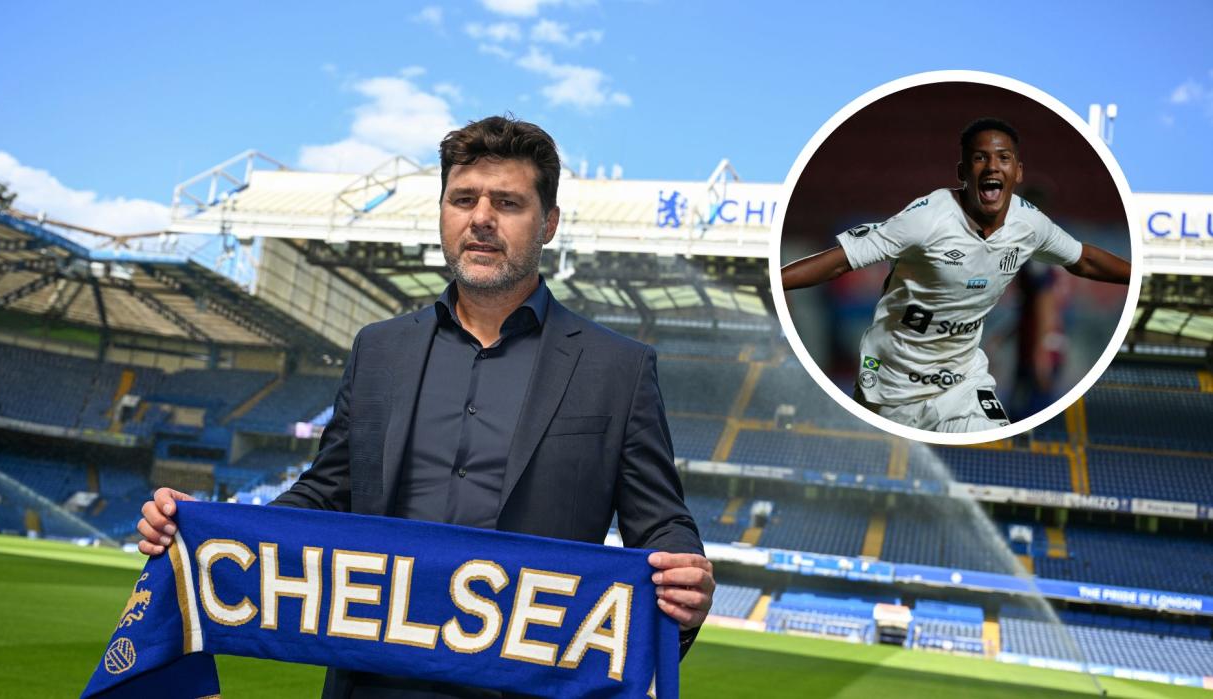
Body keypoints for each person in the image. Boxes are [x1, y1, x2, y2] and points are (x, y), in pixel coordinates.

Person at [137, 115, 715, 697]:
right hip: (372, 682)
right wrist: (207, 529)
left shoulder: (617, 368)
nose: (481, 218)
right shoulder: (380, 349)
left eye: (508, 203)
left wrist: (683, 570)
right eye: (463, 199)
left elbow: (659, 519)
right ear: (443, 212)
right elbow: (326, 493)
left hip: (529, 686)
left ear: (549, 224)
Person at [780, 118, 1130, 432]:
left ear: (1017, 172)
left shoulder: (1030, 224)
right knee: (877, 459)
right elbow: (840, 261)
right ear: (963, 171)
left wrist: (1143, 275)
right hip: (893, 376)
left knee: (993, 452)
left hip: (962, 380)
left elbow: (1084, 260)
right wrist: (772, 280)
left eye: (1003, 158)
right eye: (980, 158)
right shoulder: (926, 219)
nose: (992, 166)